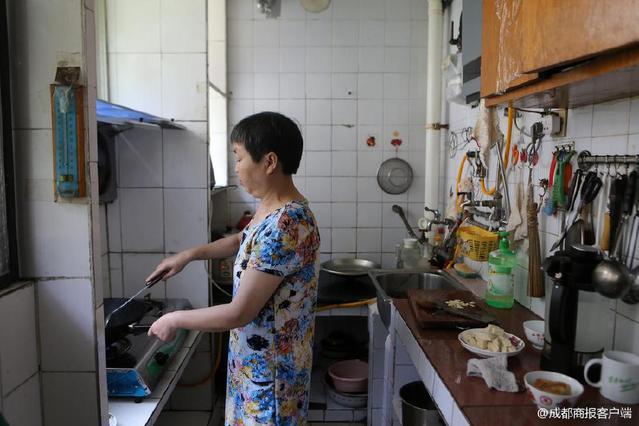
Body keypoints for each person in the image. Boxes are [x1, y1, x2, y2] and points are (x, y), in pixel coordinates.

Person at [146, 111, 321, 425]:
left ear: (269, 162)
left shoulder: (287, 223)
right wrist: (188, 255)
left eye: (239, 158)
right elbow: (243, 239)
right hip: (255, 365)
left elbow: (238, 313)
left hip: (271, 378)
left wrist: (174, 319)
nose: (236, 167)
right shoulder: (274, 209)